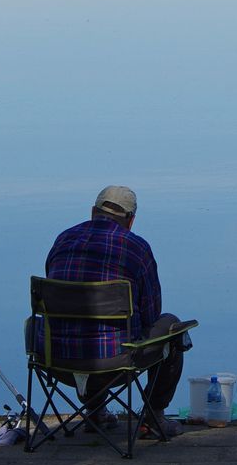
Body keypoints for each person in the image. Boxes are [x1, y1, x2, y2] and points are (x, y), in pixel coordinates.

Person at [41, 185, 190, 437]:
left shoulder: (63, 239)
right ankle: (154, 417)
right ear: (131, 221)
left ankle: (96, 413)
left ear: (92, 212)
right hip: (116, 364)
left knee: (80, 328)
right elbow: (152, 314)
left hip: (56, 360)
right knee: (172, 327)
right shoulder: (136, 248)